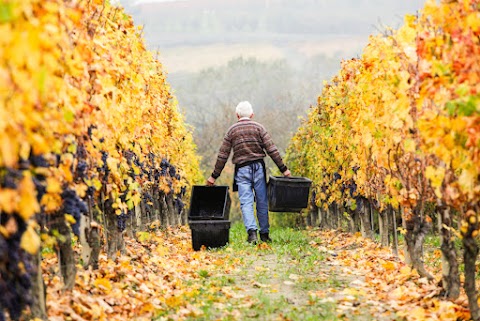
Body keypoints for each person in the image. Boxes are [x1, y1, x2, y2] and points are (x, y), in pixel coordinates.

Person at [207, 101, 291, 244]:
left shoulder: (232, 131)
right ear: (252, 115)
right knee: (262, 201)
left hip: (242, 169)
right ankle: (264, 234)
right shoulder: (259, 128)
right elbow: (272, 150)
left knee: (246, 202)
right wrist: (284, 169)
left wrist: (214, 176)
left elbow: (223, 155)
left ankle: (252, 234)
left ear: (237, 115)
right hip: (258, 168)